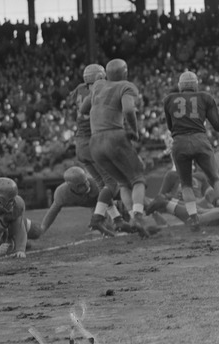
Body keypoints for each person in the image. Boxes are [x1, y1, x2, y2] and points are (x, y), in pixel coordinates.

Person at [80, 58, 159, 237]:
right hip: (114, 136)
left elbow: (84, 109)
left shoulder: (98, 86)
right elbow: (129, 110)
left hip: (95, 141)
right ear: (125, 72)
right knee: (138, 179)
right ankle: (138, 216)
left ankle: (133, 218)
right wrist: (134, 130)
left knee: (123, 183)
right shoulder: (126, 86)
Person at [161, 70, 219, 231]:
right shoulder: (205, 97)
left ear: (180, 86)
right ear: (196, 84)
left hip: (180, 142)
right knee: (215, 178)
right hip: (200, 140)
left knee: (186, 183)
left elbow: (170, 127)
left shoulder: (169, 99)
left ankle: (194, 218)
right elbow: (217, 125)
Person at [70, 64, 126, 236]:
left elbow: (74, 101)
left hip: (80, 143)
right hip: (94, 142)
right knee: (112, 184)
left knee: (103, 186)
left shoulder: (79, 89)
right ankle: (97, 219)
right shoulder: (103, 91)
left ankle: (118, 221)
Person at [38, 166, 119, 237]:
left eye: (86, 182)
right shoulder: (62, 193)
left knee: (112, 222)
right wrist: (42, 228)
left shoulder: (97, 183)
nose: (86, 186)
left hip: (110, 197)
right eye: (81, 185)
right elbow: (53, 211)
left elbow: (110, 200)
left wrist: (116, 218)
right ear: (71, 186)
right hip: (95, 202)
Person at [0, 177, 41, 259]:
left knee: (36, 231)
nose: (14, 202)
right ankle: (10, 240)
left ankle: (17, 238)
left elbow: (19, 229)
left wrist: (20, 248)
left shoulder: (16, 205)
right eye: (11, 200)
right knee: (2, 247)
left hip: (9, 222)